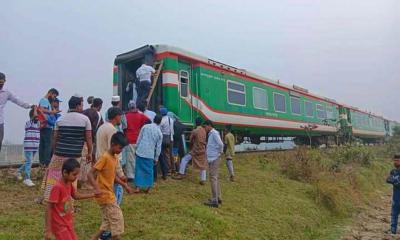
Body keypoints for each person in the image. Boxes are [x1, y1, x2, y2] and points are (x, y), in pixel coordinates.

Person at [42, 96, 92, 202]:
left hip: (59, 153)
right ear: (78, 106)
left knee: (54, 175)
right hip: (74, 155)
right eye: (82, 104)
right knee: (71, 177)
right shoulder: (85, 119)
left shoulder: (60, 119)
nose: (82, 107)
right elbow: (88, 138)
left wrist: (55, 151)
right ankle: (67, 200)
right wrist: (90, 152)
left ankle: (49, 198)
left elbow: (55, 138)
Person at [88, 132, 131, 240]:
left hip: (109, 193)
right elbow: (90, 174)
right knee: (117, 218)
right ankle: (116, 237)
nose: (120, 150)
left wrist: (124, 185)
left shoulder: (114, 158)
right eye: (120, 148)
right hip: (104, 195)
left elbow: (113, 176)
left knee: (107, 220)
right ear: (112, 144)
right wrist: (97, 188)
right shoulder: (105, 157)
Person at [45, 158, 96, 240]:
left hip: (67, 222)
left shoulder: (69, 183)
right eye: (74, 174)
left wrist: (93, 195)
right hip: (59, 225)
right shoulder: (57, 187)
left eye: (77, 175)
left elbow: (75, 195)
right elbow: (49, 207)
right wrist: (48, 230)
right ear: (65, 172)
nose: (76, 177)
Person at [96, 107, 129, 205]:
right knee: (115, 194)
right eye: (120, 116)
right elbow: (115, 153)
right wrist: (121, 173)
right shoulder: (112, 130)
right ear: (116, 117)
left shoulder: (101, 127)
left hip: (101, 163)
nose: (121, 119)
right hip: (109, 165)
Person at [0, 72, 33, 151]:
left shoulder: (6, 92)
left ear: (5, 81)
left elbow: (17, 100)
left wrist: (30, 105)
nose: (1, 84)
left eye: (2, 82)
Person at [173, 117, 207, 185]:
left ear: (195, 123)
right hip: (203, 149)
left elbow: (191, 140)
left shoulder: (195, 131)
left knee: (184, 159)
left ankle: (181, 174)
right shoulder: (204, 130)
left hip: (195, 150)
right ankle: (203, 179)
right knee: (203, 164)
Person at [134, 115, 162, 193]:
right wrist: (156, 158)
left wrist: (136, 148)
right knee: (149, 171)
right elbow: (158, 147)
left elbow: (139, 138)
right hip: (150, 153)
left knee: (138, 170)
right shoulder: (159, 132)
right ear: (160, 122)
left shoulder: (145, 127)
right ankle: (148, 188)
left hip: (141, 151)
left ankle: (137, 188)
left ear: (153, 119)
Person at [123, 100, 150, 183]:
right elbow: (149, 121)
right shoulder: (140, 115)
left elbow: (124, 127)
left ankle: (131, 175)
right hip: (138, 139)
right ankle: (138, 174)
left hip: (129, 139)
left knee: (130, 158)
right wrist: (141, 127)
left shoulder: (126, 116)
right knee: (137, 157)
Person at [81, 98, 104, 185]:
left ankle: (79, 180)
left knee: (81, 160)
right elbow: (95, 129)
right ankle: (85, 181)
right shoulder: (98, 115)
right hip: (90, 140)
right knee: (88, 160)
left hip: (80, 140)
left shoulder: (84, 112)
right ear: (100, 106)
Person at [17, 106, 40, 187]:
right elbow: (34, 116)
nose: (37, 117)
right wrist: (35, 109)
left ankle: (19, 171)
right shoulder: (28, 123)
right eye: (36, 115)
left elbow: (41, 118)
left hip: (35, 146)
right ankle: (27, 178)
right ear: (32, 116)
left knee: (29, 162)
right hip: (29, 146)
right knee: (29, 162)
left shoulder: (38, 124)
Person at [203, 120, 224, 208]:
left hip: (214, 158)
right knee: (215, 178)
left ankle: (215, 200)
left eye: (205, 127)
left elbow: (221, 144)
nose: (205, 128)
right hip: (212, 158)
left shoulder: (214, 133)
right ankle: (218, 197)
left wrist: (219, 153)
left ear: (209, 125)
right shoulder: (211, 133)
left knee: (213, 178)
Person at [39, 88, 60, 167]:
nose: (54, 98)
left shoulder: (47, 102)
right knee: (48, 144)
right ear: (51, 93)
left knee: (44, 144)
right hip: (46, 125)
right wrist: (52, 112)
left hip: (46, 125)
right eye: (54, 96)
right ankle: (46, 162)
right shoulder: (44, 100)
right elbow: (42, 109)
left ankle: (42, 162)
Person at [158, 107, 174, 179]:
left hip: (163, 139)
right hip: (170, 139)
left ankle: (166, 170)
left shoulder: (162, 120)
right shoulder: (171, 120)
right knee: (169, 154)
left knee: (163, 154)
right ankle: (171, 169)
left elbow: (159, 130)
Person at [386, 154, 400, 234]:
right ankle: (393, 231)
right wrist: (395, 181)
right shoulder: (393, 171)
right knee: (394, 214)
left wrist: (394, 181)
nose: (396, 162)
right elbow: (388, 179)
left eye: (397, 160)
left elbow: (393, 181)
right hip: (396, 197)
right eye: (395, 160)